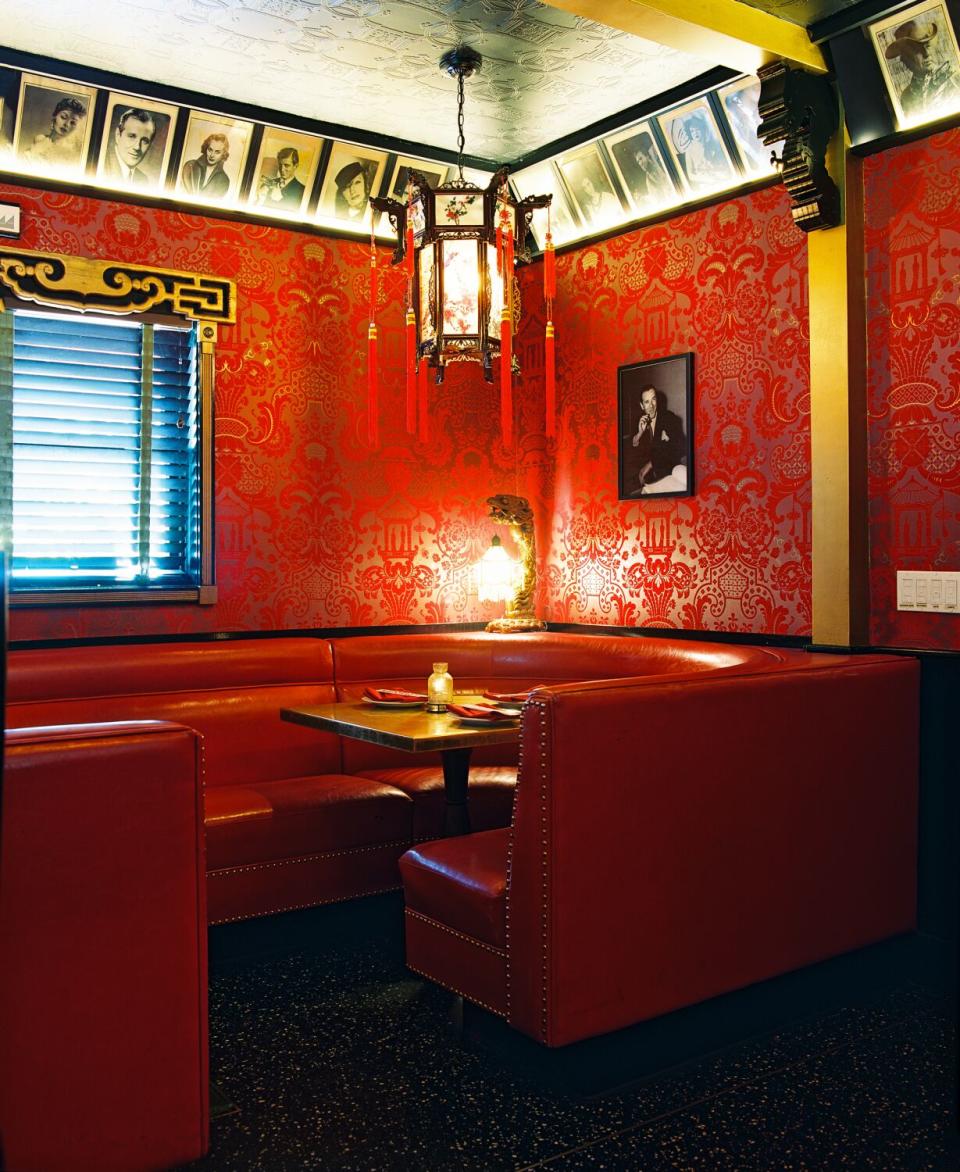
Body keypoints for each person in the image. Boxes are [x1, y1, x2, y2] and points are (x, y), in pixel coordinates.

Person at [885, 19, 960, 117]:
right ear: (905, 59)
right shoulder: (906, 97)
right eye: (918, 50)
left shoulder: (954, 76)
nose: (927, 54)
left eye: (927, 46)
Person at [628, 385, 686, 494]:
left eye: (653, 400)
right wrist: (639, 434)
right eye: (646, 402)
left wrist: (651, 464)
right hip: (643, 475)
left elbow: (680, 448)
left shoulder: (669, 418)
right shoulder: (638, 421)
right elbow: (631, 451)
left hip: (667, 473)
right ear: (642, 406)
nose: (651, 405)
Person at [22, 95, 86, 166]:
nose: (66, 124)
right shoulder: (40, 139)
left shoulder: (71, 154)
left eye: (73, 122)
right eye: (63, 117)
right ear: (55, 116)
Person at [102, 108, 157, 186]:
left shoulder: (143, 179)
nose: (137, 147)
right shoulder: (101, 165)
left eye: (144, 141)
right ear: (118, 135)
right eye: (132, 136)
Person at [181, 132, 231, 198]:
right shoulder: (190, 166)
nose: (212, 155)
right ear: (206, 148)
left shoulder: (224, 180)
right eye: (210, 150)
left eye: (217, 152)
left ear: (223, 154)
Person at [628, 132, 672, 205]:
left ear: (647, 157)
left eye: (641, 159)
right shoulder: (648, 181)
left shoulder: (660, 163)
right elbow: (657, 200)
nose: (640, 163)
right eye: (638, 162)